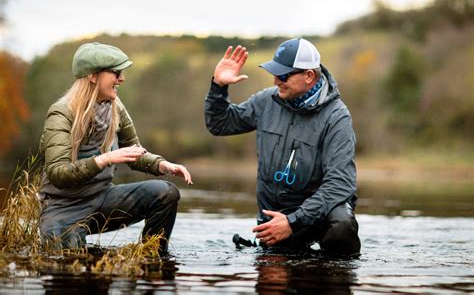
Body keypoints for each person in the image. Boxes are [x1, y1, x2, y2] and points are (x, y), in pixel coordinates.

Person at [205, 38, 361, 256]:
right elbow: (219, 124)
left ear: (309, 76)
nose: (276, 80)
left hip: (317, 217)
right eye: (275, 72)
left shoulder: (336, 116)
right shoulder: (266, 101)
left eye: (284, 74)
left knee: (341, 227)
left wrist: (294, 221)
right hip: (275, 218)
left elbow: (340, 184)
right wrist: (219, 87)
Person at [39, 42, 192, 252]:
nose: (122, 78)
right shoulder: (61, 113)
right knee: (71, 267)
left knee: (166, 193)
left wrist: (162, 165)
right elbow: (58, 174)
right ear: (93, 75)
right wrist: (105, 159)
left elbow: (132, 150)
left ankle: (152, 258)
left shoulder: (116, 106)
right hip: (63, 208)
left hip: (103, 199)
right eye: (116, 72)